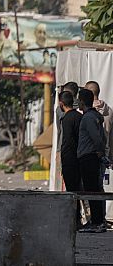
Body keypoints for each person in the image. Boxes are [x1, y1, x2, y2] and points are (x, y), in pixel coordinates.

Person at [77, 88, 107, 232]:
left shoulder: (88, 118)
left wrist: (100, 151)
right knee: (93, 189)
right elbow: (103, 137)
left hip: (88, 157)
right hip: (90, 157)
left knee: (92, 191)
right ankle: (97, 221)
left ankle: (97, 222)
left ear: (82, 101)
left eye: (79, 100)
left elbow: (97, 138)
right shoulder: (94, 116)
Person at [85, 81, 112, 219]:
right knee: (99, 186)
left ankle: (95, 219)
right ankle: (100, 217)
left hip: (91, 154)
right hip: (104, 154)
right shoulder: (109, 111)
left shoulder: (88, 113)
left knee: (90, 188)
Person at [58, 91, 83, 225]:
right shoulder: (80, 116)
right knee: (78, 190)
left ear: (61, 104)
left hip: (70, 160)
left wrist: (63, 161)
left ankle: (74, 219)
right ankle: (77, 218)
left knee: (71, 191)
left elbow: (67, 142)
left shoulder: (66, 119)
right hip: (80, 158)